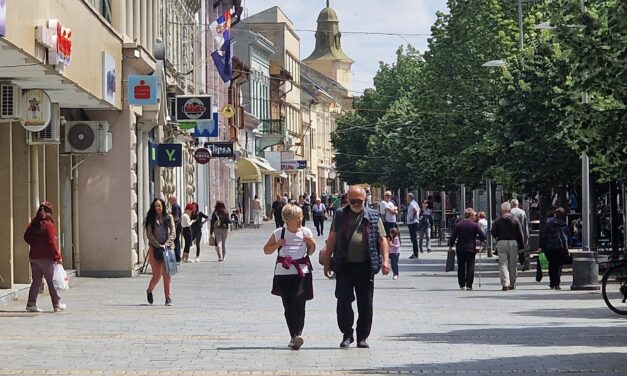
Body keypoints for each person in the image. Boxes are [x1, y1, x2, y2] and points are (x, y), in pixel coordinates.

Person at [323, 186, 390, 349]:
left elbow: (382, 239)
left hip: (365, 266)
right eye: (351, 200)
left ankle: (362, 337)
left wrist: (386, 261)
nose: (355, 203)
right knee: (343, 301)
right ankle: (347, 334)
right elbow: (332, 238)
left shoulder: (374, 216)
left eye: (358, 201)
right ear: (347, 199)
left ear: (364, 199)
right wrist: (326, 262)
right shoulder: (340, 215)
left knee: (365, 304)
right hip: (344, 266)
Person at [263, 204, 316, 350]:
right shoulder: (279, 233)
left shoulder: (306, 232)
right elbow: (266, 250)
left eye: (301, 217)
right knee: (288, 305)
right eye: (297, 218)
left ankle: (297, 334)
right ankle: (293, 336)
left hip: (302, 272)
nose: (300, 220)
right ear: (288, 220)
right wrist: (277, 245)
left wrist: (311, 244)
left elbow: (310, 252)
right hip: (283, 273)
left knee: (300, 302)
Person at [23, 201, 66, 313]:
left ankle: (31, 304)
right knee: (52, 281)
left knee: (36, 281)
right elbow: (52, 242)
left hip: (34, 258)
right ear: (49, 213)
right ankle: (57, 304)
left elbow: (26, 237)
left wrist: (35, 243)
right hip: (46, 258)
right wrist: (57, 257)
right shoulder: (48, 225)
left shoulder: (33, 223)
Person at [145, 198, 176, 306]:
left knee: (167, 274)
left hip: (167, 249)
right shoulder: (150, 219)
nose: (157, 208)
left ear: (163, 206)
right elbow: (149, 235)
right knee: (157, 275)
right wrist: (158, 245)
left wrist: (166, 244)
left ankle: (168, 298)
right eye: (155, 206)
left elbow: (173, 232)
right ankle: (149, 291)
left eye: (159, 206)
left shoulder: (168, 217)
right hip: (155, 249)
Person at [448, 208, 486, 290]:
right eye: (474, 215)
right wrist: (481, 241)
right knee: (470, 266)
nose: (475, 217)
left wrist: (451, 246)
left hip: (460, 248)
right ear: (471, 215)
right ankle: (469, 284)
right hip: (471, 248)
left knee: (461, 266)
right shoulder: (475, 225)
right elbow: (482, 236)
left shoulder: (459, 224)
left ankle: (462, 284)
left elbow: (453, 236)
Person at [491, 202, 525, 291]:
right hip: (513, 243)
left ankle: (505, 283)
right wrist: (521, 247)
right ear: (510, 210)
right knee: (513, 264)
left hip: (501, 242)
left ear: (501, 210)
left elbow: (493, 232)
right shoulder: (515, 219)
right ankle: (512, 283)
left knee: (503, 264)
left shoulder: (498, 220)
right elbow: (520, 234)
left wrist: (498, 237)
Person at [538, 207, 571, 290]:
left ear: (555, 214)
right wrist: (569, 246)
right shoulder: (564, 225)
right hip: (561, 247)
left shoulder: (548, 223)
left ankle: (552, 282)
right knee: (559, 265)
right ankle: (557, 283)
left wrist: (541, 246)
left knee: (552, 265)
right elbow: (568, 236)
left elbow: (544, 236)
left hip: (550, 248)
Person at [406, 193, 420, 259]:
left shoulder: (412, 203)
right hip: (413, 222)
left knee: (413, 238)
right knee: (413, 238)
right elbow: (418, 209)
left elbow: (415, 210)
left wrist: (413, 217)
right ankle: (415, 253)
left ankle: (415, 253)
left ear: (410, 197)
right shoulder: (415, 203)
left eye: (407, 197)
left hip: (412, 223)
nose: (406, 198)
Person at [168, 196, 182, 263]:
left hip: (176, 227)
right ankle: (177, 258)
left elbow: (176, 217)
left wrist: (169, 219)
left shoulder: (175, 206)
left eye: (169, 200)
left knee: (176, 242)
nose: (169, 202)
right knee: (176, 242)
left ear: (173, 200)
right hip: (177, 226)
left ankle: (177, 258)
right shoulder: (176, 206)